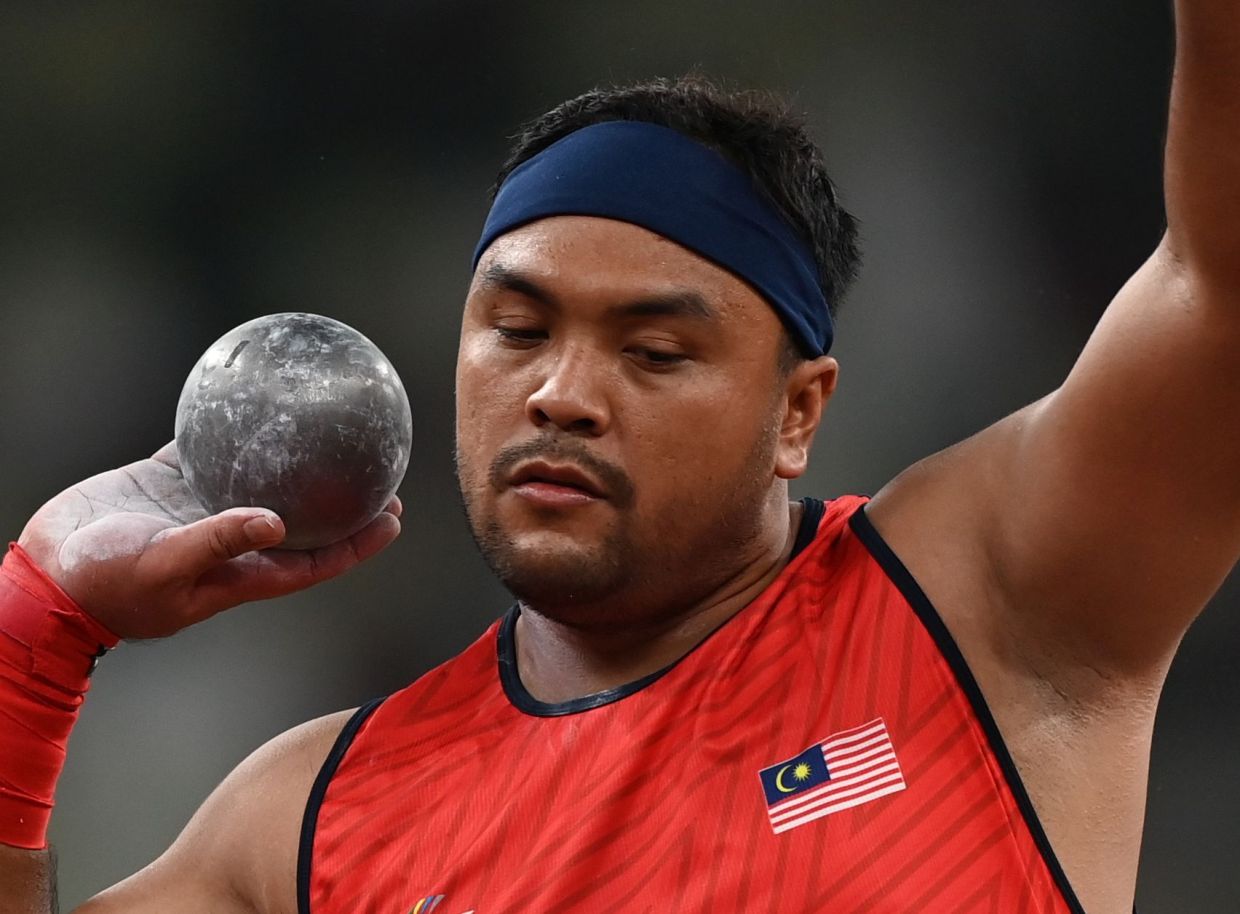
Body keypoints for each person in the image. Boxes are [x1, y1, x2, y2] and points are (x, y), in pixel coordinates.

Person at [1, 6, 1237, 912]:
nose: (560, 394)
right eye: (516, 330)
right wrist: (31, 635)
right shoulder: (309, 824)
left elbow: (1218, 287)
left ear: (797, 412)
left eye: (651, 352)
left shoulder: (985, 603)